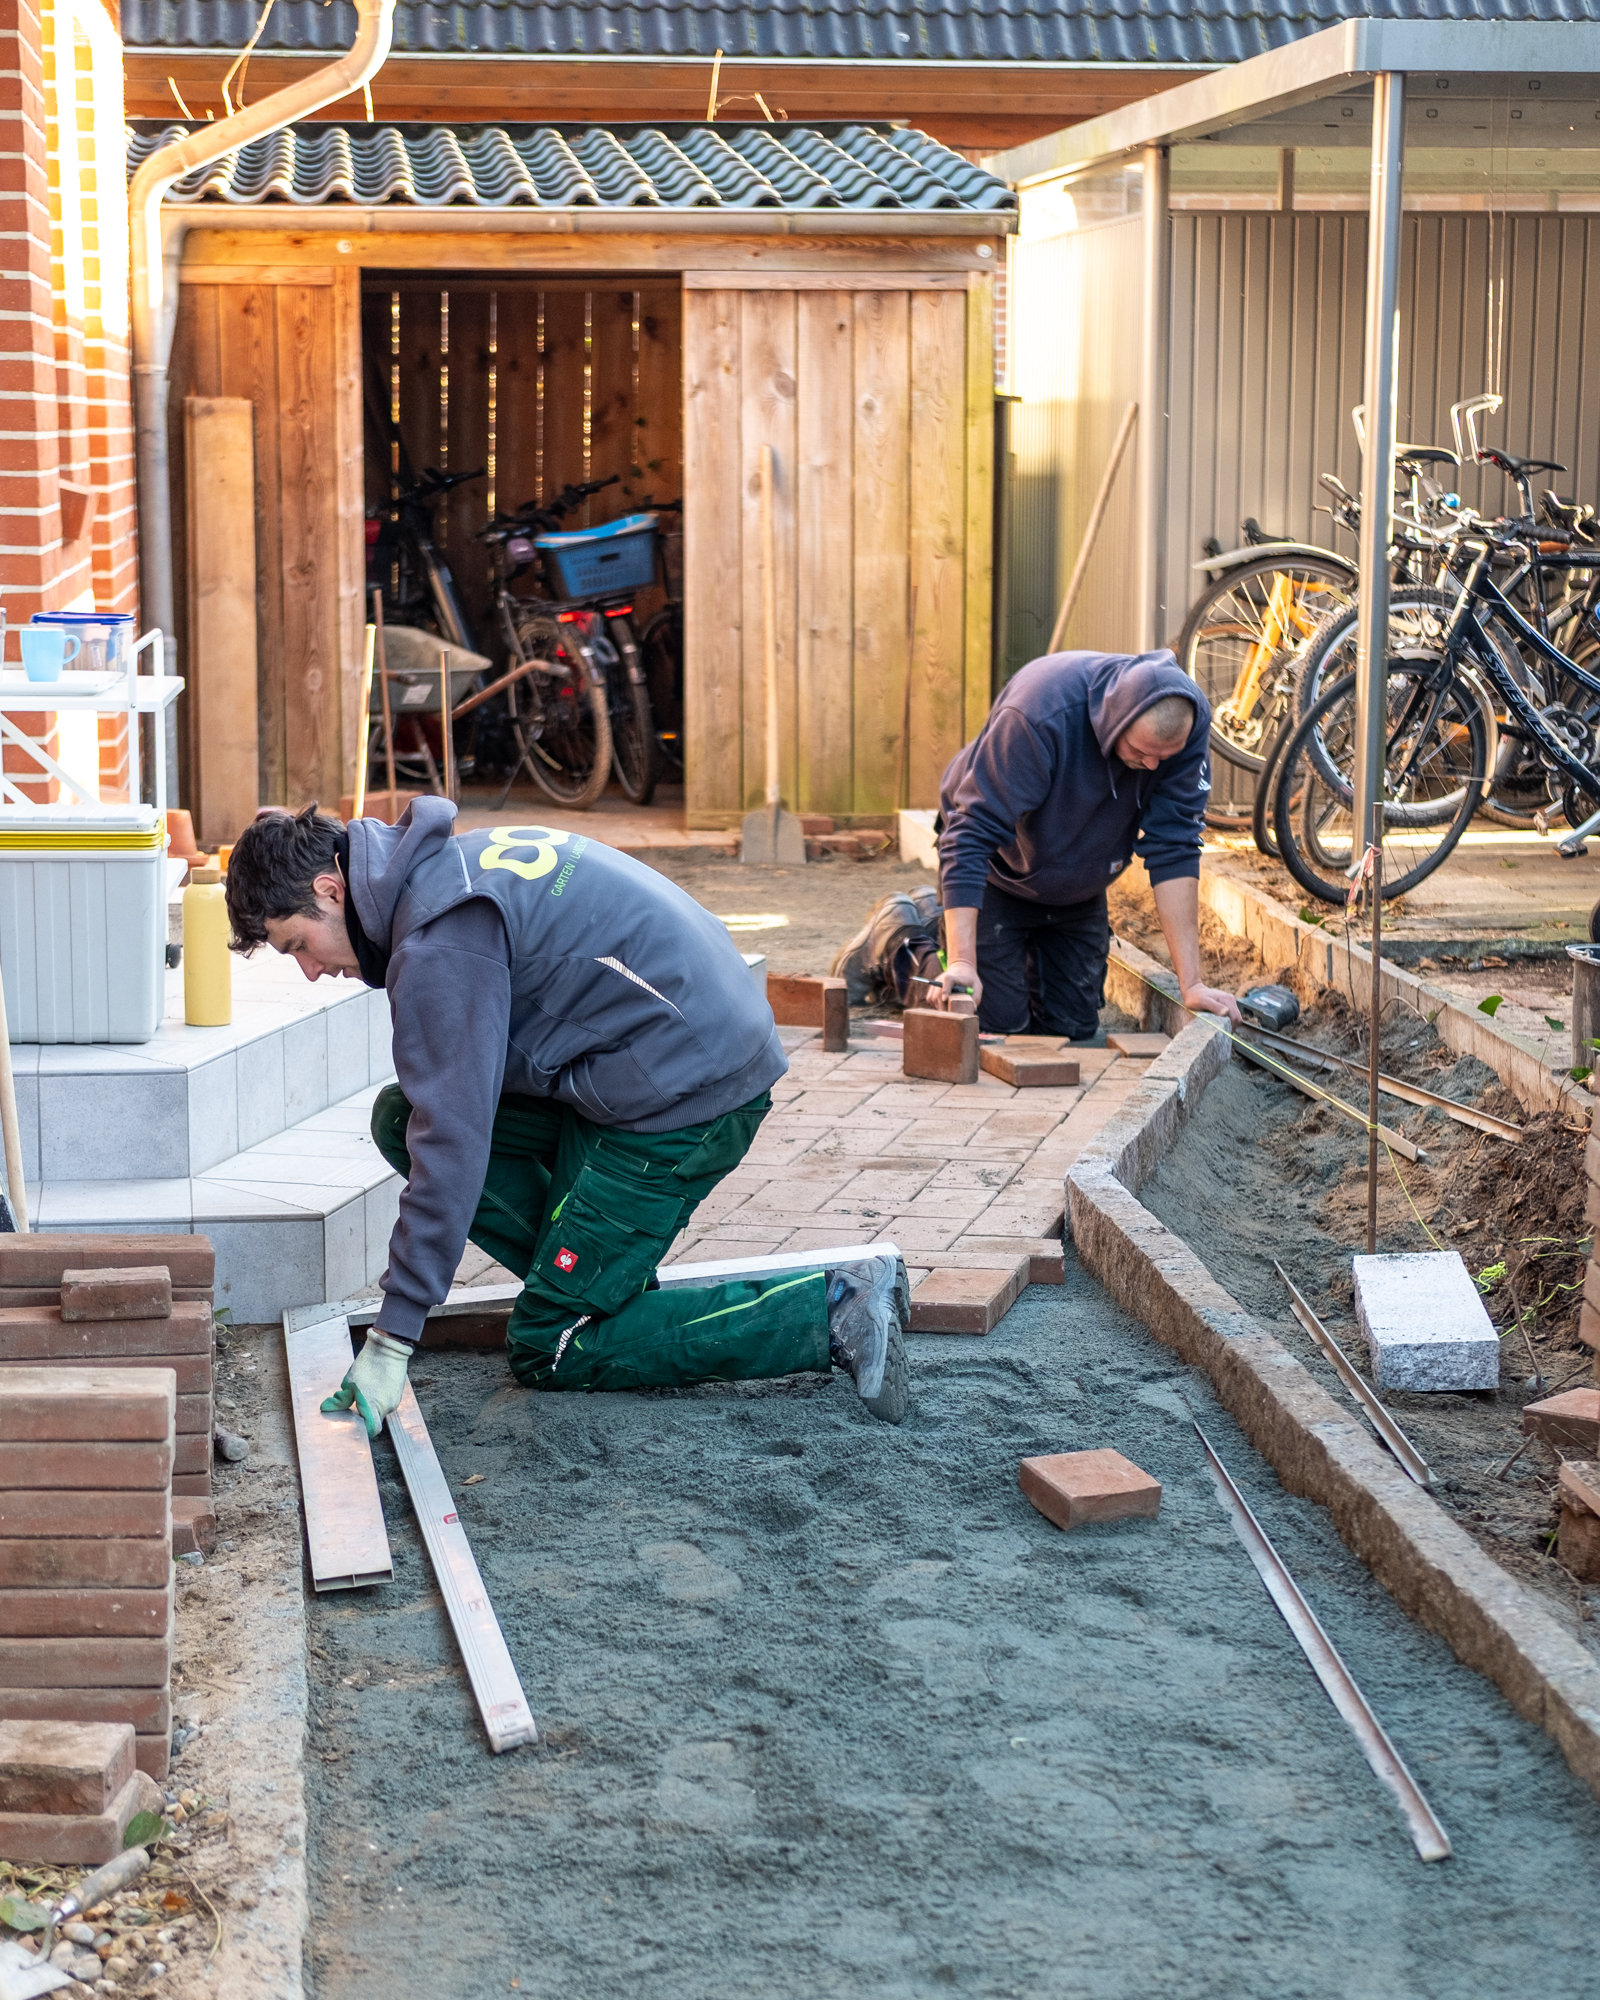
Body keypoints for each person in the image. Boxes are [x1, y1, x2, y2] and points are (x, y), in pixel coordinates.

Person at [224, 801, 910, 1433]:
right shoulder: (433, 869)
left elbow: (454, 1141)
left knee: (551, 1345)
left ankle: (834, 1308)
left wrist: (394, 1333)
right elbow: (442, 1108)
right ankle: (594, 1284)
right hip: (646, 1054)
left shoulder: (438, 942)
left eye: (296, 946)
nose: (310, 971)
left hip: (687, 1093)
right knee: (401, 1115)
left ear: (329, 889)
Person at [934, 649, 1240, 1037]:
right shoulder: (1038, 716)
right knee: (994, 1027)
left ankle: (1018, 964)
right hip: (999, 874)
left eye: (1163, 759)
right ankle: (912, 945)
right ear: (1116, 722)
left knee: (1071, 1031)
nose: (1151, 767)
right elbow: (970, 834)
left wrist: (1191, 984)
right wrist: (963, 961)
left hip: (1078, 887)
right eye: (1141, 752)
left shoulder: (1184, 731)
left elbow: (1176, 847)